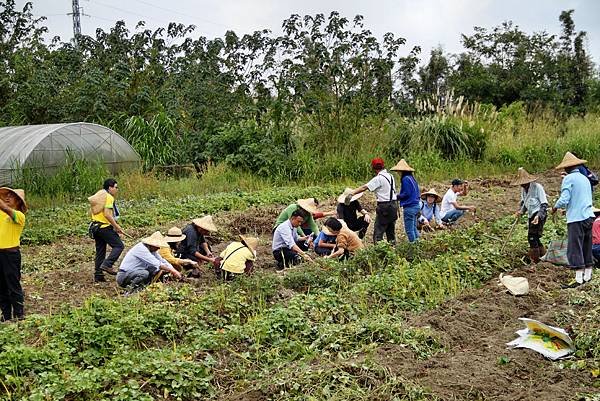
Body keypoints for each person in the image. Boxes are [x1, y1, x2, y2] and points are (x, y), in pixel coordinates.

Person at [552, 152, 595, 288]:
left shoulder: (569, 179)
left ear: (567, 168)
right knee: (586, 245)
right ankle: (587, 276)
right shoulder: (585, 178)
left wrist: (555, 207)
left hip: (576, 218)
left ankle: (578, 279)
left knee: (574, 247)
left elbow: (565, 199)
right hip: (589, 215)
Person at [345, 158, 398, 244]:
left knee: (378, 232)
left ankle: (378, 253)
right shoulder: (390, 176)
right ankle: (392, 251)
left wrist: (352, 193)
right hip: (394, 205)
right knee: (390, 232)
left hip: (384, 207)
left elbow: (364, 187)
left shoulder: (379, 178)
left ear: (373, 168)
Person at [116, 232, 182, 294]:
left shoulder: (152, 250)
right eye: (157, 246)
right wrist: (173, 271)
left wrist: (174, 270)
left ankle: (141, 288)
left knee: (153, 270)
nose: (158, 248)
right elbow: (157, 263)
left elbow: (162, 260)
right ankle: (129, 291)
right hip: (124, 276)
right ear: (151, 244)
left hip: (134, 273)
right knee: (144, 273)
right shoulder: (141, 249)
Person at [88, 178, 126, 282]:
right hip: (104, 227)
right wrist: (116, 226)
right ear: (110, 188)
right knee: (119, 246)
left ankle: (98, 275)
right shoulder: (108, 197)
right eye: (116, 187)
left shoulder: (99, 197)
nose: (117, 190)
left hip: (95, 227)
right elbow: (107, 214)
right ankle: (107, 264)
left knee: (100, 251)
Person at [0, 187, 27, 321]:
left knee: (13, 285)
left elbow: (6, 209)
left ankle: (19, 314)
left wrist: (3, 205)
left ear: (18, 201)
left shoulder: (19, 216)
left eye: (12, 196)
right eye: (6, 195)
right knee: (1, 286)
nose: (7, 197)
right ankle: (6, 315)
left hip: (11, 255)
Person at [512, 168, 549, 264]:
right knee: (535, 237)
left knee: (531, 237)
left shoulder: (537, 187)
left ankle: (535, 260)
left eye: (524, 183)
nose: (522, 185)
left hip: (539, 214)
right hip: (531, 215)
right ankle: (543, 256)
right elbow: (524, 203)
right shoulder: (523, 190)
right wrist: (520, 211)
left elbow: (544, 204)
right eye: (521, 183)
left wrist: (538, 216)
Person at [391, 159, 420, 242]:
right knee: (414, 228)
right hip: (416, 206)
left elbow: (406, 193)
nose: (398, 173)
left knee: (409, 230)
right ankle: (418, 246)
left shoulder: (405, 179)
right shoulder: (412, 178)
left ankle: (414, 248)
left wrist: (396, 197)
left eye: (398, 171)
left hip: (410, 207)